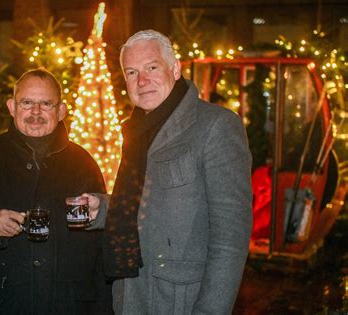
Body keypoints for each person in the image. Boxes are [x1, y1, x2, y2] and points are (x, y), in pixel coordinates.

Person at [86, 30, 252, 314]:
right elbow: (146, 202)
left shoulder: (216, 126)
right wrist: (101, 208)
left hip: (179, 301)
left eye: (152, 67)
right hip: (130, 293)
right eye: (132, 72)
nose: (142, 81)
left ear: (175, 69)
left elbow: (230, 239)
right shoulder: (135, 130)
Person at [0, 69, 112, 314]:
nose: (36, 112)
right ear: (12, 107)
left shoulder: (83, 163)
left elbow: (100, 245)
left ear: (61, 110)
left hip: (69, 305)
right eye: (27, 102)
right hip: (4, 304)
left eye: (46, 104)